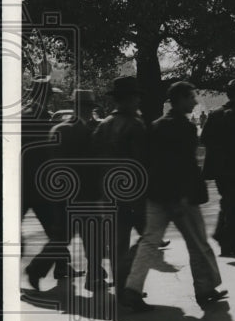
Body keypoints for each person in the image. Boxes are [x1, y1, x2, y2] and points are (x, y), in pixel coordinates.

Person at [122, 82, 226, 311]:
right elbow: (184, 166)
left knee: (149, 242)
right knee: (198, 244)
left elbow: (152, 162)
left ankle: (132, 288)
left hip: (157, 194)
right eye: (191, 97)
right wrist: (182, 196)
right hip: (181, 197)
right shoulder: (185, 128)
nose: (195, 102)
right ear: (180, 99)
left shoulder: (156, 126)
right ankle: (205, 288)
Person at [26, 88, 100, 291]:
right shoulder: (84, 131)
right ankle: (94, 276)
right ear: (81, 109)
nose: (88, 111)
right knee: (85, 235)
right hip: (81, 192)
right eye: (87, 107)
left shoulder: (58, 129)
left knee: (63, 236)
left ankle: (37, 269)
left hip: (62, 192)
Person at [91, 76, 149, 290]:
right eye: (135, 98)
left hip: (108, 191)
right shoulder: (135, 125)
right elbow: (142, 161)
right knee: (150, 238)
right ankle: (127, 288)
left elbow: (94, 158)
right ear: (130, 99)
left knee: (118, 242)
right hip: (132, 193)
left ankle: (122, 287)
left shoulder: (104, 125)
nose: (138, 102)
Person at [201, 79, 235, 257]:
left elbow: (204, 139)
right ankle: (228, 240)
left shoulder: (215, 114)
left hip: (219, 169)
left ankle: (227, 242)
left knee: (227, 205)